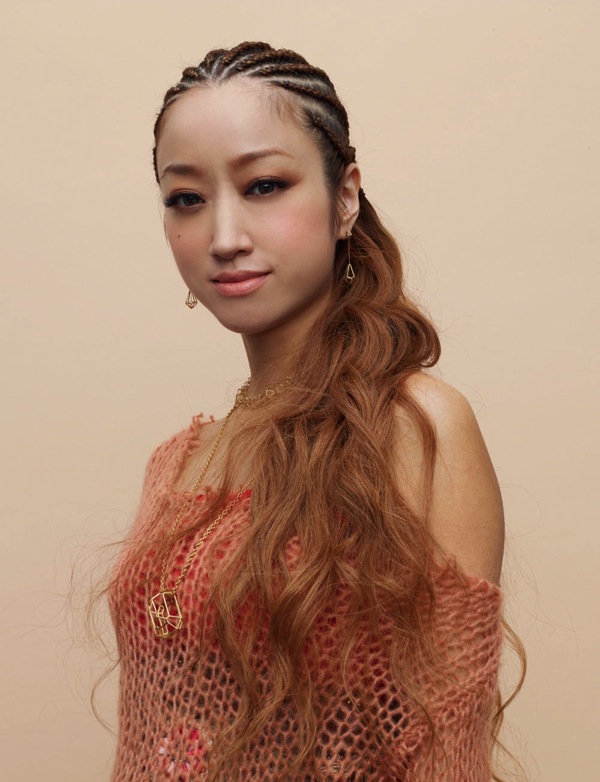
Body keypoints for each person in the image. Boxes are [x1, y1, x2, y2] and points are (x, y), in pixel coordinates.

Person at [108, 41, 520, 781]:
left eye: (264, 185)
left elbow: (444, 751)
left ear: (346, 198)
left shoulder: (416, 426)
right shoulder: (176, 463)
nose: (224, 238)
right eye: (187, 199)